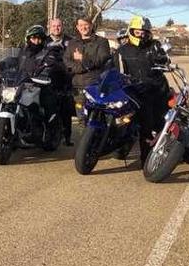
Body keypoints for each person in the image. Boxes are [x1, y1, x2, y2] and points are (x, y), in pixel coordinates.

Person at [111, 16, 171, 164]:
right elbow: (117, 71)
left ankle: (148, 159)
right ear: (131, 31)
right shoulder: (122, 50)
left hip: (155, 91)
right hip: (133, 91)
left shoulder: (154, 46)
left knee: (153, 124)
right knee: (123, 120)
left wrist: (163, 58)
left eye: (144, 32)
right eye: (137, 32)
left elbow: (165, 60)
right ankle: (118, 146)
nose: (141, 34)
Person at [17, 25, 64, 140]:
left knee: (47, 105)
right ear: (28, 39)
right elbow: (14, 63)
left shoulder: (48, 52)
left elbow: (51, 64)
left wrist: (47, 71)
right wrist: (1, 67)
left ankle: (48, 131)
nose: (36, 41)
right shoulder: (23, 52)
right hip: (23, 84)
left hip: (42, 84)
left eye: (39, 38)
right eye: (33, 38)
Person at [64, 17, 111, 118]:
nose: (83, 27)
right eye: (80, 25)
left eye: (86, 24)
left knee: (97, 117)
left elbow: (102, 59)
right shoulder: (72, 43)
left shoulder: (102, 42)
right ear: (77, 27)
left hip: (96, 85)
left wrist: (83, 58)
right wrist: (84, 67)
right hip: (78, 87)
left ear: (91, 25)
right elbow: (67, 61)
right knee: (81, 118)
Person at [46, 18, 75, 146]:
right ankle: (49, 134)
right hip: (48, 79)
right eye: (54, 26)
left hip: (66, 80)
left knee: (66, 109)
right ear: (49, 27)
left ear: (62, 26)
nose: (56, 28)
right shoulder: (44, 41)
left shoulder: (71, 41)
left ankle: (67, 137)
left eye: (59, 25)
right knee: (49, 108)